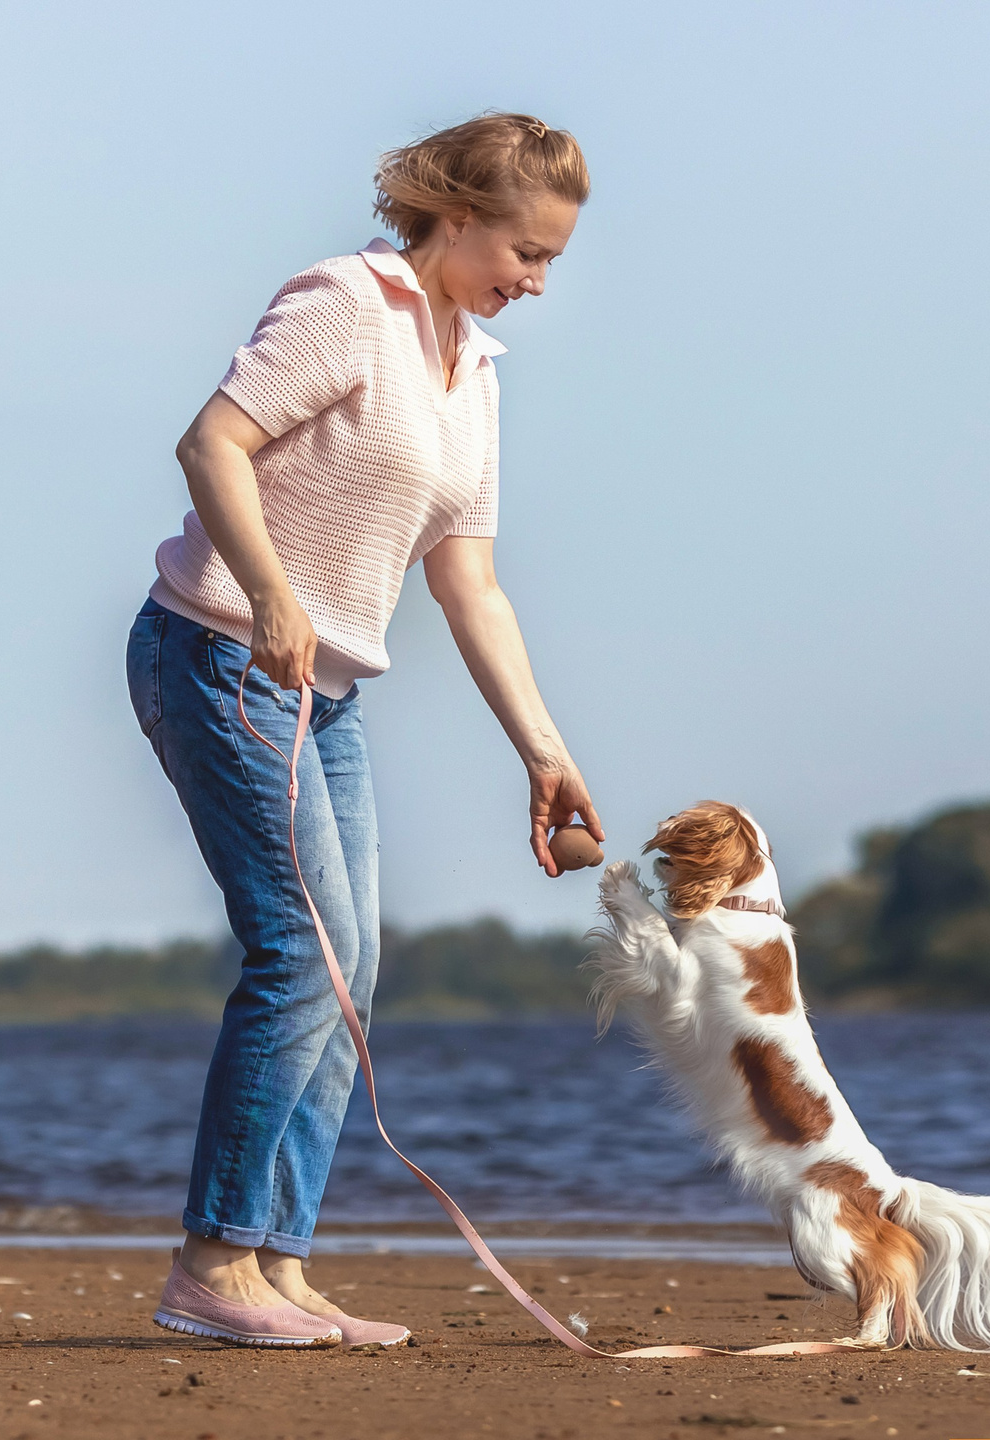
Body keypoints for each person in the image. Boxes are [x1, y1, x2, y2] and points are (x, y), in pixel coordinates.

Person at [128, 113, 603, 1349]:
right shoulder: (348, 300)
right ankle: (211, 1266)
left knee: (351, 973)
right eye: (526, 249)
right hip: (220, 653)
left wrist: (544, 753)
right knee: (302, 953)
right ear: (455, 211)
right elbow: (210, 443)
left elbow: (469, 582)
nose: (536, 280)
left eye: (551, 260)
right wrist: (274, 594)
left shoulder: (474, 368)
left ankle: (276, 1266)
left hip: (325, 691)